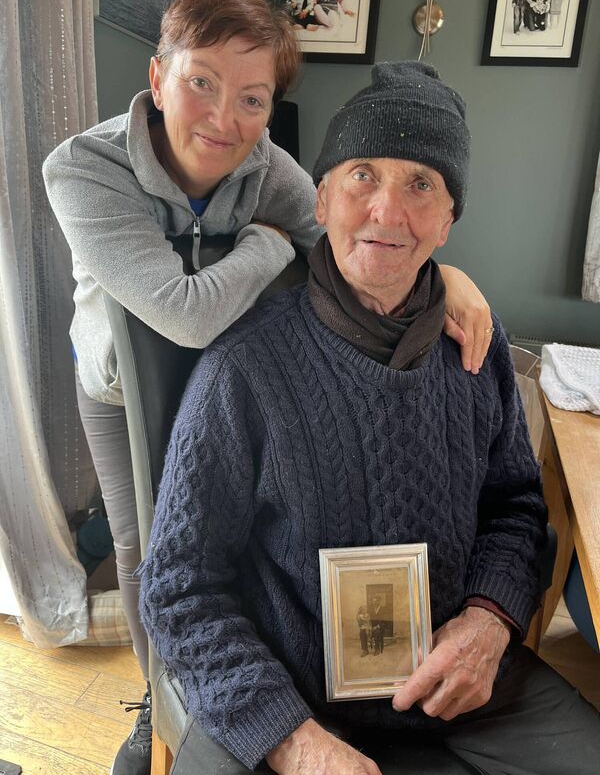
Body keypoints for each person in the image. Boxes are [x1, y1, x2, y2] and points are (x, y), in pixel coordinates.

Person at [44, 0, 490, 773]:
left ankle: (230, 673)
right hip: (123, 378)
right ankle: (163, 695)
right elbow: (184, 314)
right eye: (201, 83)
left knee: (232, 523)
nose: (225, 119)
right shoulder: (81, 169)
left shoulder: (268, 163)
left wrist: (447, 276)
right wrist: (268, 243)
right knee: (147, 549)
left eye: (252, 98)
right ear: (158, 78)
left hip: (237, 348)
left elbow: (354, 231)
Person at [139, 61, 600, 775]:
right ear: (321, 199)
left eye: (421, 184)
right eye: (362, 175)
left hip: (460, 686)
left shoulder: (477, 350)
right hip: (286, 691)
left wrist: (487, 623)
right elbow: (177, 585)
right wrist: (292, 739)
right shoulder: (245, 370)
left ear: (448, 221)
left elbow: (514, 508)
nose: (387, 211)